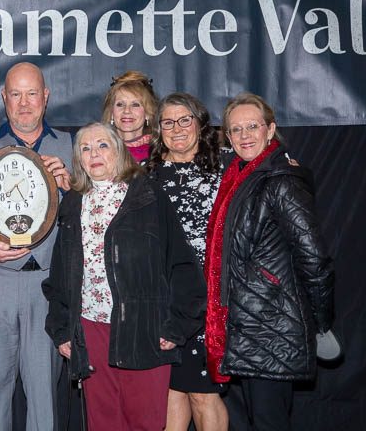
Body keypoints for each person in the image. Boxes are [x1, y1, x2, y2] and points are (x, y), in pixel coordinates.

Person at [43, 122, 206, 430]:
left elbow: (182, 265)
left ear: (118, 151)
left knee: (144, 420)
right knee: (103, 421)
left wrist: (177, 325)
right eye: (86, 149)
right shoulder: (73, 203)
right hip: (91, 329)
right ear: (78, 159)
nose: (94, 154)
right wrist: (62, 329)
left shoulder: (148, 196)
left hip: (143, 328)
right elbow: (61, 274)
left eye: (102, 145)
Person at [205, 92, 334, 431]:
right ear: (228, 138)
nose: (245, 135)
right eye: (236, 129)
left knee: (269, 423)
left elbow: (315, 258)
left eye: (253, 126)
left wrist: (320, 323)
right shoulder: (238, 178)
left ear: (270, 129)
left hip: (273, 327)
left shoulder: (281, 182)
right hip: (247, 325)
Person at [0, 62, 71, 431]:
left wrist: (70, 190)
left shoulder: (71, 146)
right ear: (4, 99)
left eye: (32, 93)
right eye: (16, 94)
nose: (24, 104)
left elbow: (90, 219)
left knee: (44, 394)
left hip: (49, 282)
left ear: (46, 97)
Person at [145, 93, 229, 431]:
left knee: (204, 395)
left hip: (210, 301)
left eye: (185, 120)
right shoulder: (147, 175)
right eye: (168, 122)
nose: (177, 128)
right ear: (158, 130)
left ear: (200, 123)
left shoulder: (226, 164)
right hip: (166, 303)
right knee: (171, 389)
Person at [101, 70, 158, 162]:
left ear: (147, 113)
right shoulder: (98, 151)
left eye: (135, 104)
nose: (127, 111)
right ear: (111, 111)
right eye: (120, 104)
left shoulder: (160, 151)